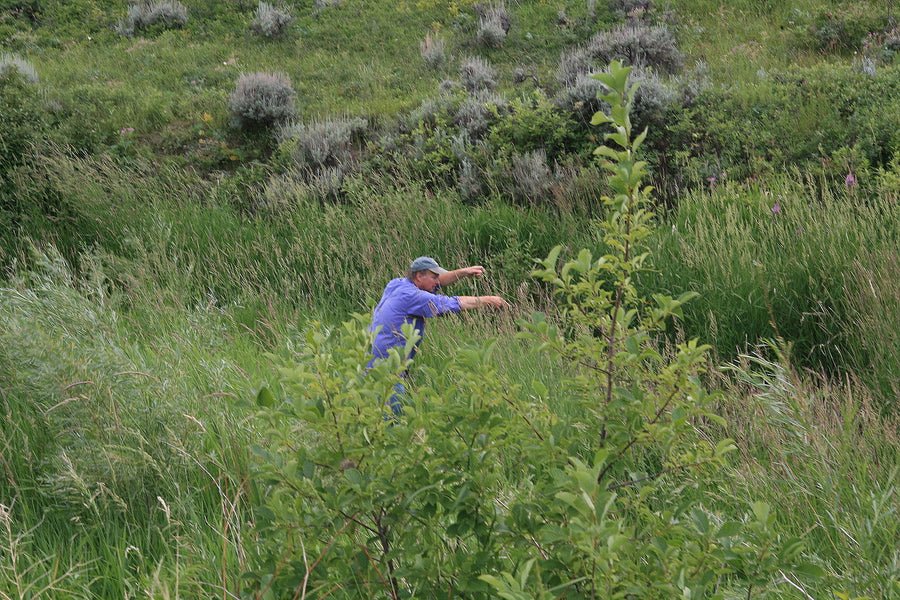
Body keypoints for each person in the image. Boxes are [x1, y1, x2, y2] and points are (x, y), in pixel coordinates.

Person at [367, 256, 509, 416]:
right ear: (419, 276)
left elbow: (439, 281)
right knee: (392, 425)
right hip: (387, 374)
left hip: (371, 365)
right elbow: (452, 303)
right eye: (433, 277)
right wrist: (488, 300)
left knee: (375, 422)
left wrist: (463, 272)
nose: (437, 282)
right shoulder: (413, 297)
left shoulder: (396, 284)